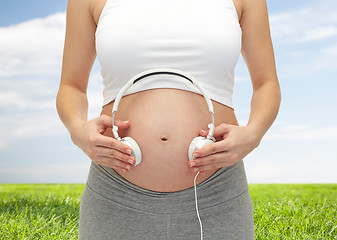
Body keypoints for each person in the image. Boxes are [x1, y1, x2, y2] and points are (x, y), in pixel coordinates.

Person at [56, 0, 281, 239]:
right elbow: (72, 86)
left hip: (218, 192)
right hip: (115, 192)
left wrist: (254, 133)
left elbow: (266, 83)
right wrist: (76, 129)